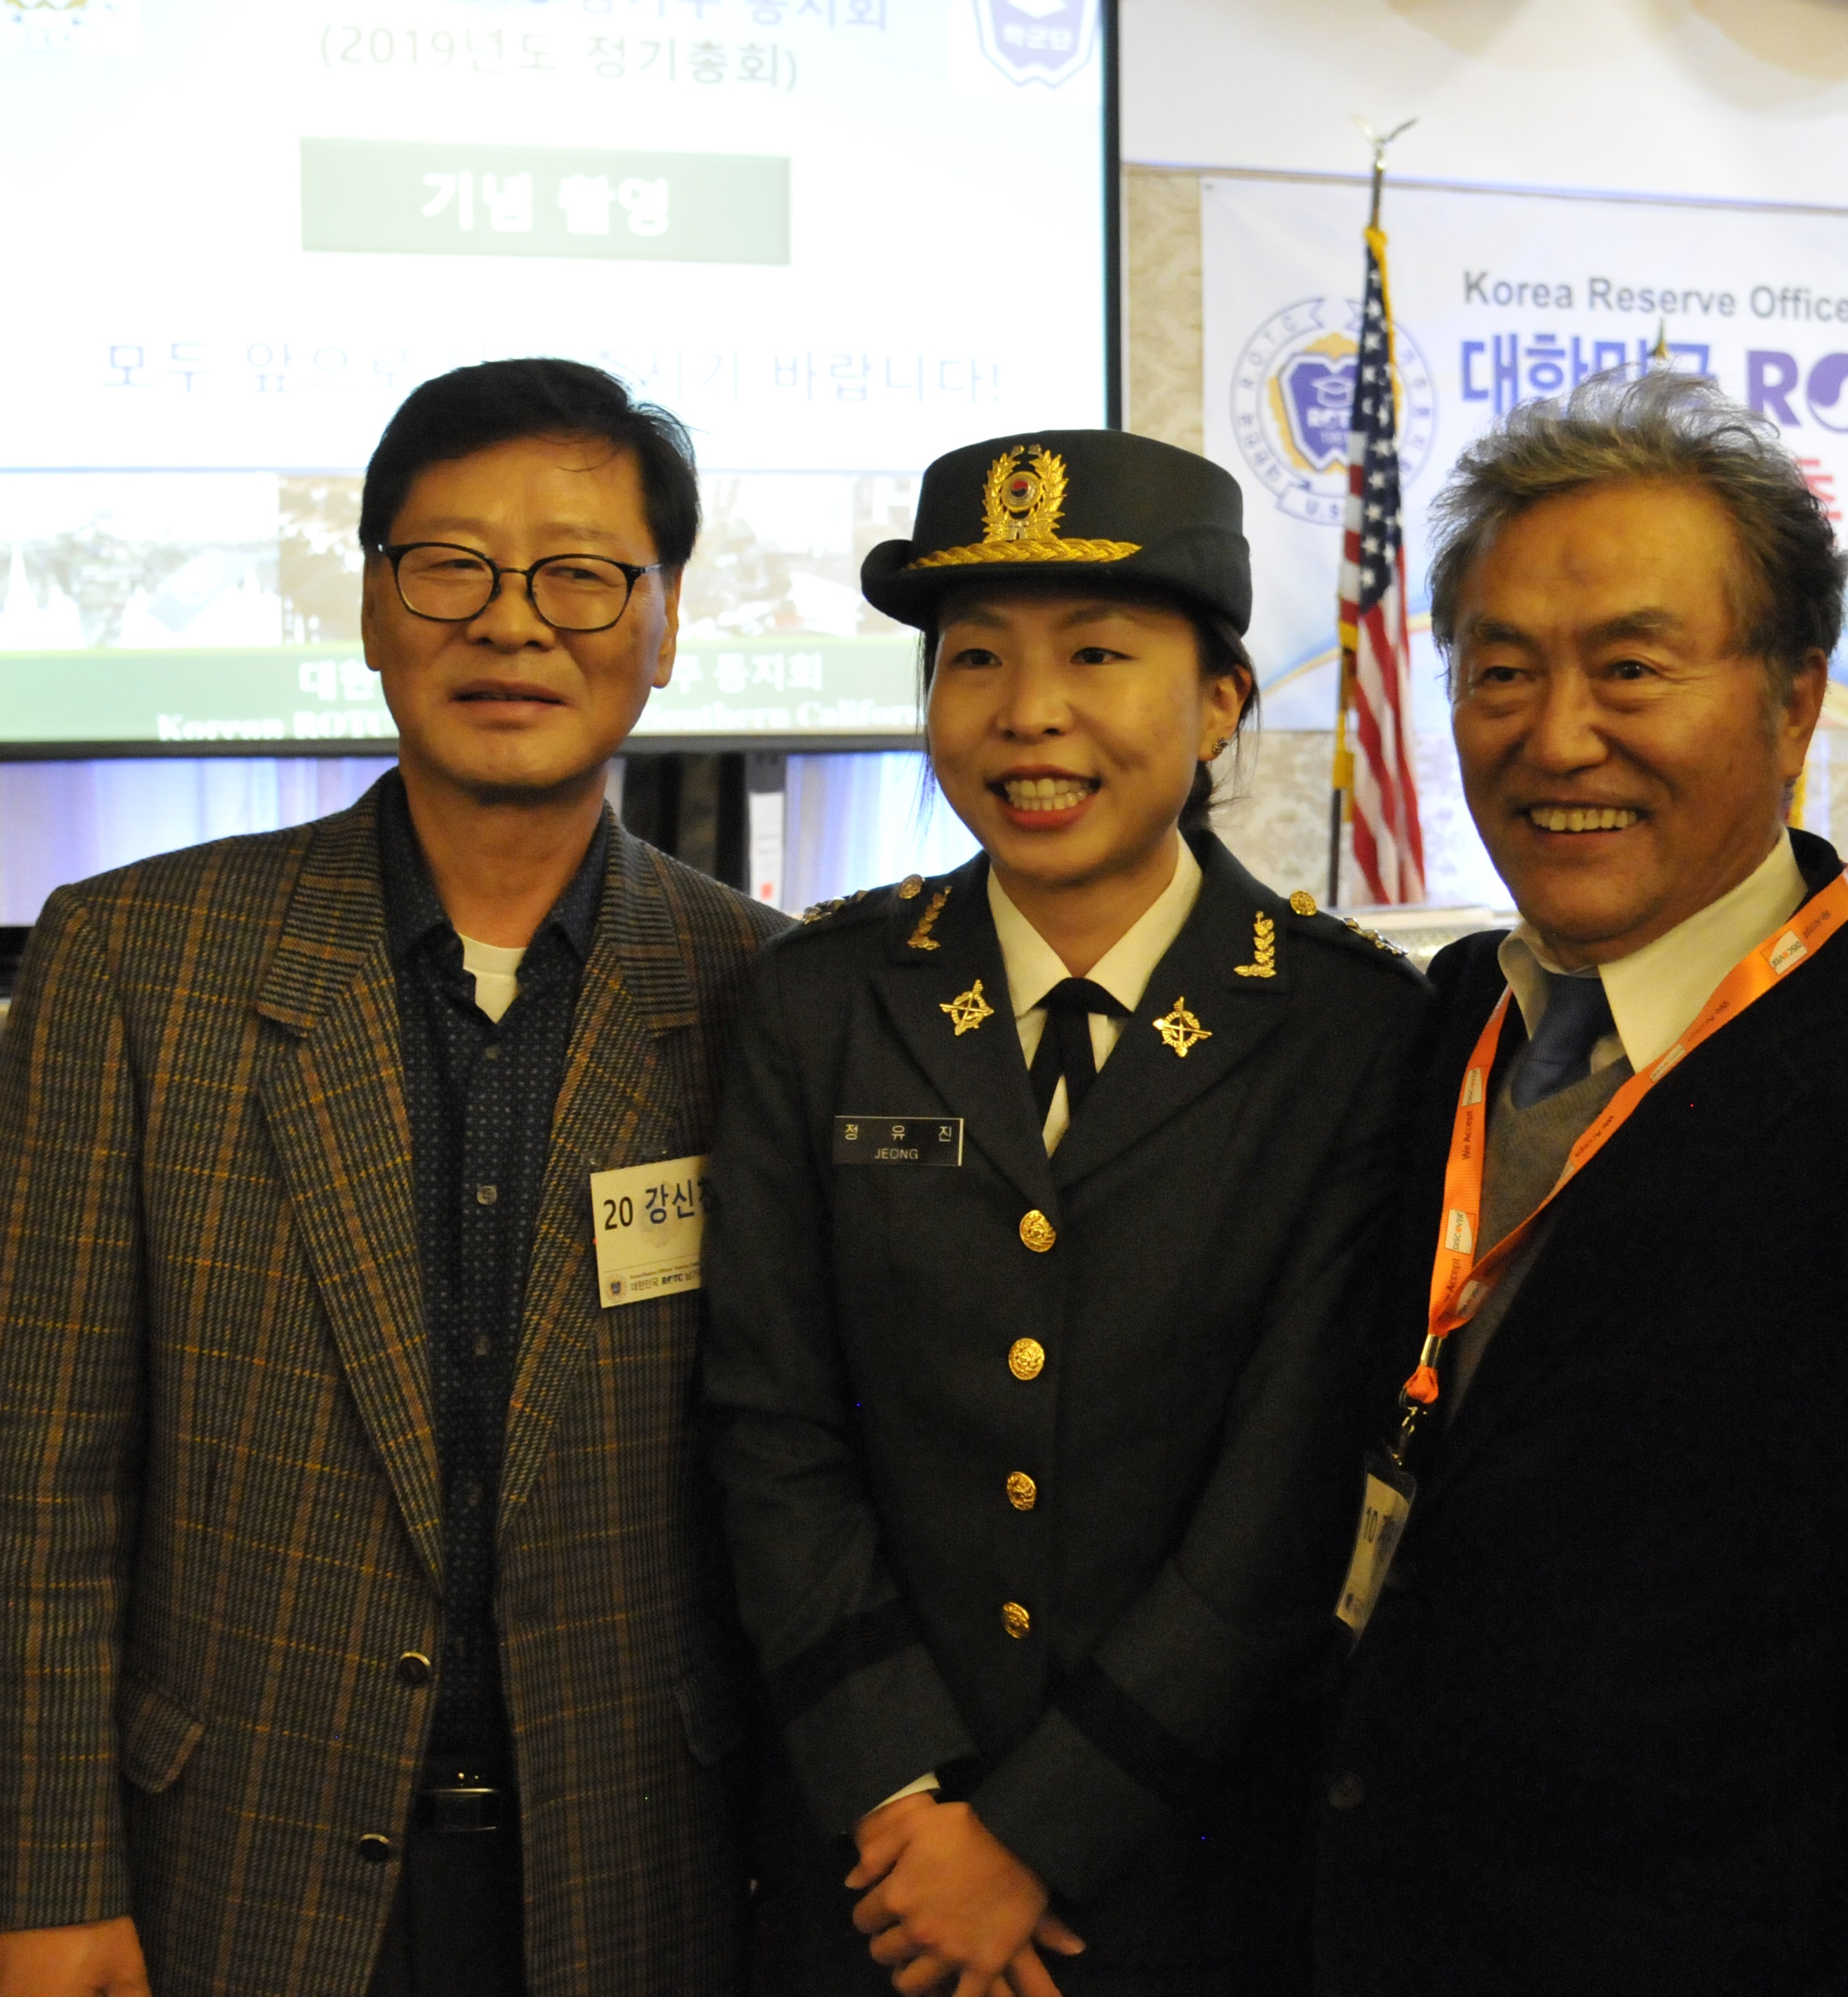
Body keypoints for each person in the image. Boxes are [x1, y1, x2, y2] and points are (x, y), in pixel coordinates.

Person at [0, 358, 788, 1997]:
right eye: (451, 566)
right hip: (233, 1862)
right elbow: (43, 1476)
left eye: (579, 574)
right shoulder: (136, 958)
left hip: (636, 1871)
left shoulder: (760, 990)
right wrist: (48, 1884)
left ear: (665, 619)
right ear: (367, 602)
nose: (512, 623)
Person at [1309, 369, 1848, 1996]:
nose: (1555, 736)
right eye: (1501, 671)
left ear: (1794, 699)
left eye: (1630, 667)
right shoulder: (1442, 1022)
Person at [702, 429, 1427, 1997]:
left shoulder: (1351, 1030)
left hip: (1186, 1868)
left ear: (1220, 700)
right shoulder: (817, 1000)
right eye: (975, 658)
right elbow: (771, 1428)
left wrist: (1036, 1833)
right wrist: (903, 1798)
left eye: (1095, 653)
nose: (1026, 712)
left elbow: (1293, 1480)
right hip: (872, 1878)